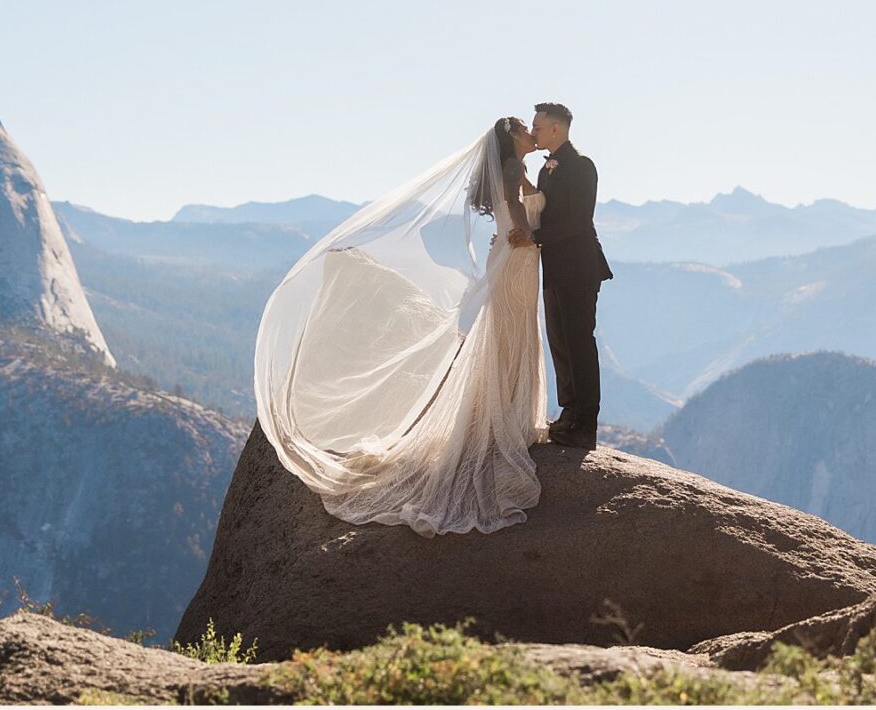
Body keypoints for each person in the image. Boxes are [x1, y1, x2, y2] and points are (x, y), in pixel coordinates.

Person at [252, 116, 551, 537]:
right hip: (517, 258)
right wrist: (523, 234)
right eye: (524, 127)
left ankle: (506, 411)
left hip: (510, 255)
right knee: (513, 333)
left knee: (508, 334)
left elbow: (512, 206)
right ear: (511, 138)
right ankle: (509, 416)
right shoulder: (515, 169)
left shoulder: (517, 167)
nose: (529, 132)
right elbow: (517, 206)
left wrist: (516, 230)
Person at [529, 102, 614, 450]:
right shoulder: (545, 169)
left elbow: (579, 220)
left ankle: (585, 425)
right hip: (554, 268)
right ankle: (568, 414)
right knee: (560, 342)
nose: (533, 132)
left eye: (538, 126)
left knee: (579, 343)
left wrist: (534, 239)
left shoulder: (581, 165)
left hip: (579, 268)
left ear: (556, 129)